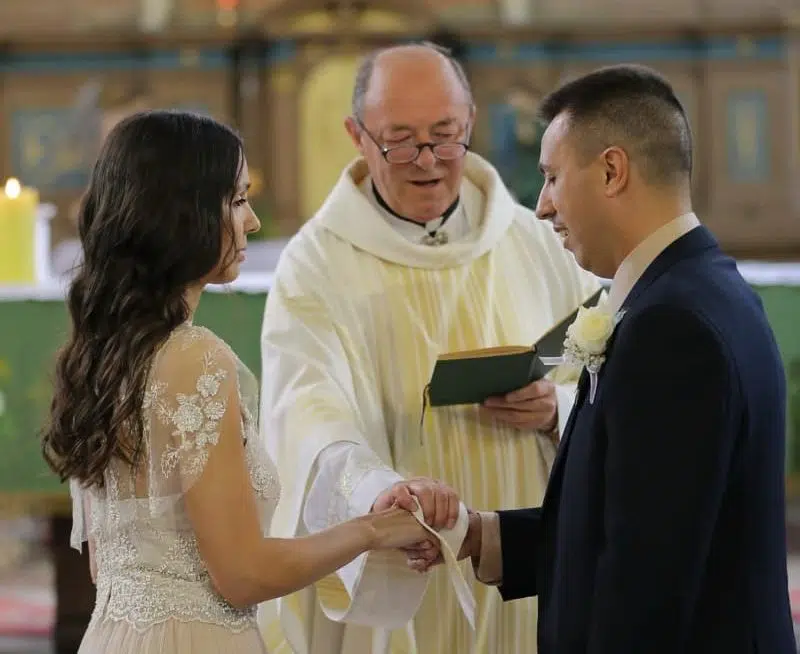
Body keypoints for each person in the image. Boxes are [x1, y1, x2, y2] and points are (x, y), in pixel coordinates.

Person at [40, 110, 432, 654]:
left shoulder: (99, 357)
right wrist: (375, 530)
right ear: (184, 211)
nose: (250, 222)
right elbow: (243, 574)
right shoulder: (194, 359)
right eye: (237, 200)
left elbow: (113, 566)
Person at [437, 64, 796, 653]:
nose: (543, 207)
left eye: (552, 178)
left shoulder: (672, 327)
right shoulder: (700, 289)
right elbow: (637, 517)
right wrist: (485, 536)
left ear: (611, 170)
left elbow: (647, 580)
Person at [258, 43, 601, 654]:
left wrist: (559, 409)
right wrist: (377, 492)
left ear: (470, 121)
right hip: (398, 563)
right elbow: (306, 416)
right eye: (401, 141)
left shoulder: (538, 241)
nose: (428, 162)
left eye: (445, 137)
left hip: (527, 559)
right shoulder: (315, 267)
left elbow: (610, 375)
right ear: (357, 135)